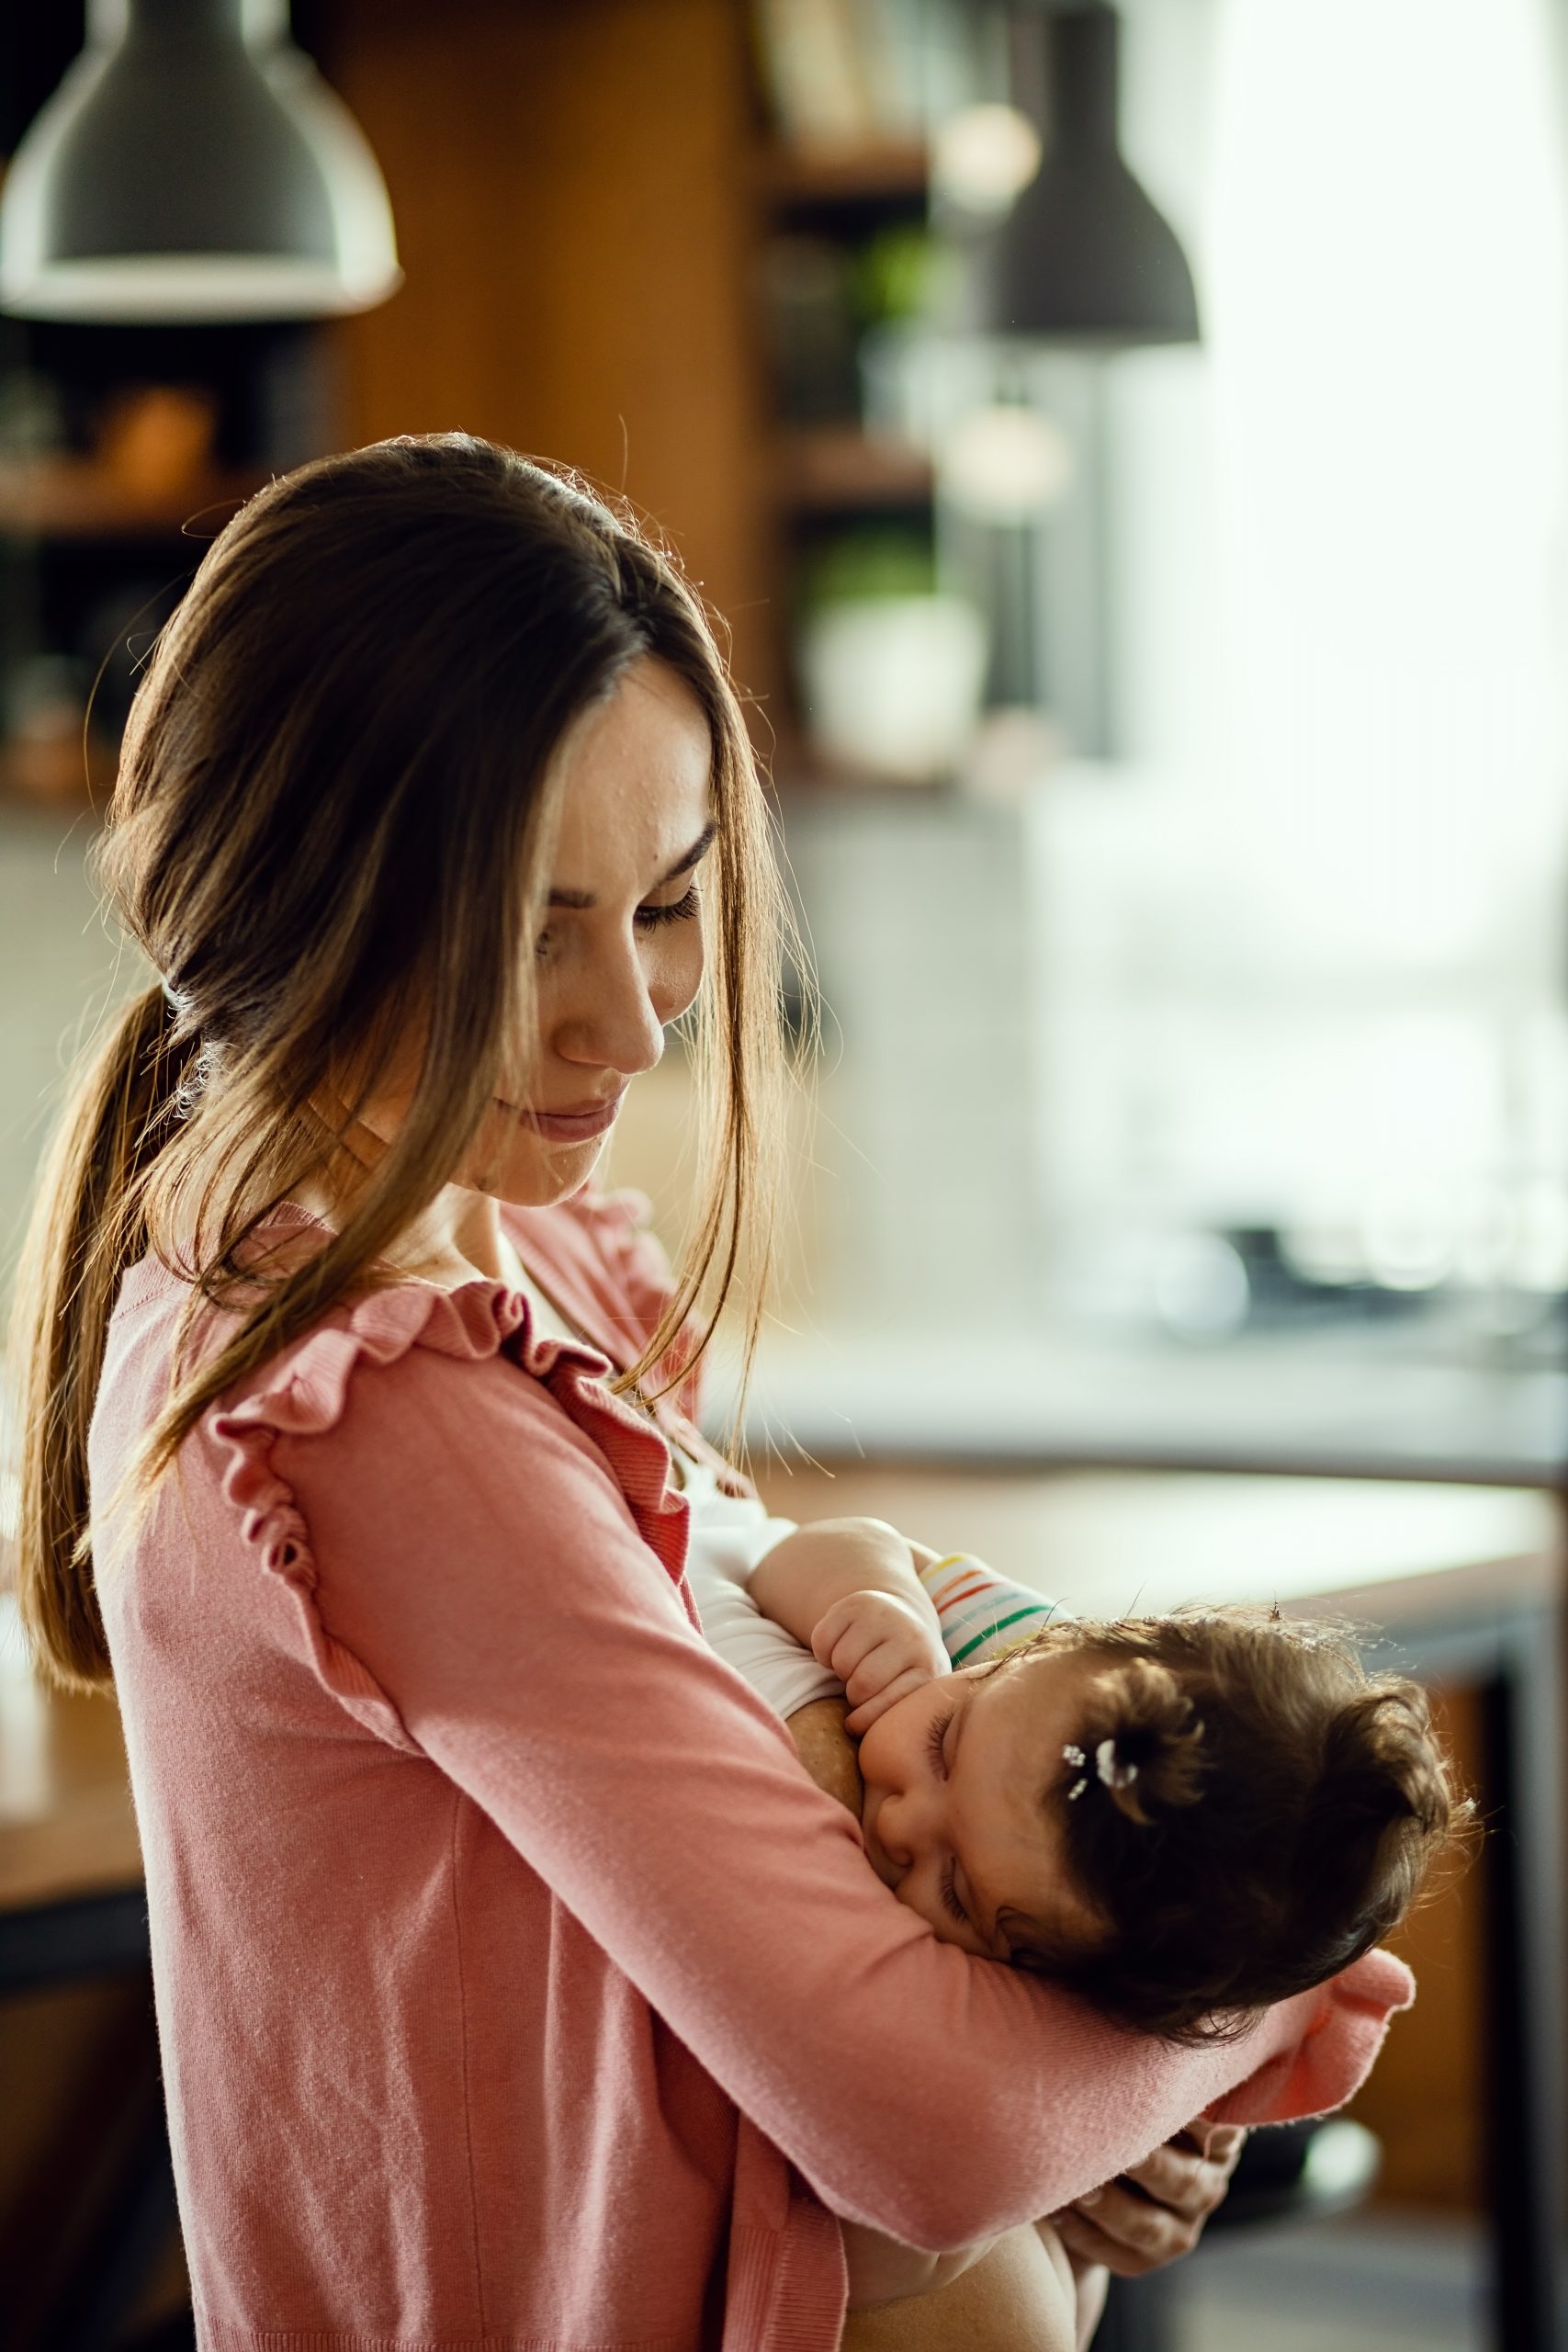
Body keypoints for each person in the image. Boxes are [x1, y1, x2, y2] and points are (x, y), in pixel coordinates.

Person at [7, 435, 1415, 2352]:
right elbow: (924, 2126)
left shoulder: (515, 1249)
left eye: (663, 902)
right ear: (274, 904)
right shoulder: (376, 1404)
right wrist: (1227, 1995)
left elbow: (825, 1649)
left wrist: (1106, 2020)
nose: (639, 1020)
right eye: (527, 928)